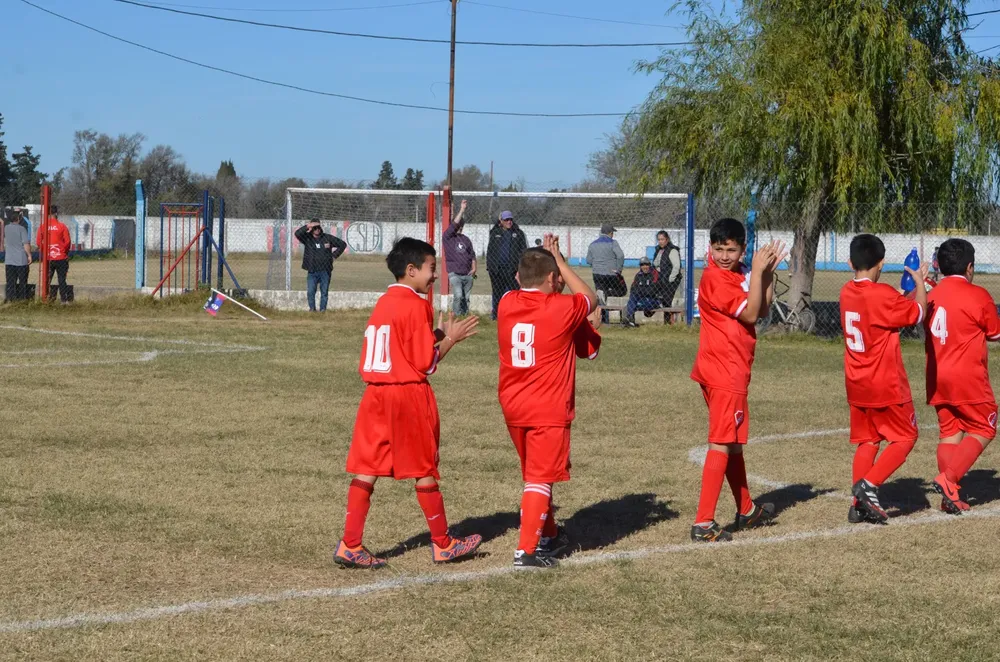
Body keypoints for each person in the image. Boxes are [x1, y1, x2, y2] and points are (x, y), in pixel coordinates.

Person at [334, 237, 483, 569]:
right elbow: (425, 364)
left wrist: (436, 336)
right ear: (411, 270)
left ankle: (350, 544)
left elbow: (401, 347)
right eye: (432, 268)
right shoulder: (417, 304)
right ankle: (443, 544)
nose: (434, 276)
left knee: (367, 468)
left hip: (375, 394)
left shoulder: (384, 302)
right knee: (424, 468)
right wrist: (450, 340)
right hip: (406, 395)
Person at [497, 234, 599, 568]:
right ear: (553, 279)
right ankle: (526, 552)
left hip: (513, 403)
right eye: (556, 277)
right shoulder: (560, 306)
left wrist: (549, 265)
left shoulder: (506, 303)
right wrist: (561, 261)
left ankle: (550, 535)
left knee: (534, 474)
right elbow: (589, 297)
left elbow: (585, 344)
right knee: (539, 478)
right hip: (547, 406)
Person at [690, 218, 785, 542]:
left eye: (731, 249)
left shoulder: (741, 272)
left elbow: (764, 305)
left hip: (728, 367)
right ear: (710, 249)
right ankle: (703, 523)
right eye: (718, 249)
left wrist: (767, 271)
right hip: (724, 370)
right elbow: (749, 313)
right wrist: (758, 273)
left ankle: (746, 509)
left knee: (732, 441)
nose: (724, 255)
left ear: (743, 249)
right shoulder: (717, 279)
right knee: (721, 441)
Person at [840, 234, 927, 525]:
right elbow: (916, 313)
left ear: (851, 262)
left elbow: (888, 308)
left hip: (856, 381)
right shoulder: (884, 294)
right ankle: (869, 486)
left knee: (868, 441)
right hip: (885, 382)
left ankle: (857, 505)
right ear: (881, 264)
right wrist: (921, 287)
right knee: (905, 437)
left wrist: (907, 294)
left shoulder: (845, 292)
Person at [923, 239, 1000, 514]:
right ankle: (949, 479)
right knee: (985, 426)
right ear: (970, 267)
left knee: (950, 432)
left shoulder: (930, 293)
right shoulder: (977, 294)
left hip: (937, 376)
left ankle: (949, 496)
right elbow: (995, 333)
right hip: (967, 377)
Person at [294, 219, 347, 312]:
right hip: (312, 270)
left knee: (324, 292)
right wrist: (307, 226)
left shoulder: (327, 238)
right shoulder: (307, 239)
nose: (317, 229)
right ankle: (312, 309)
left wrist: (334, 256)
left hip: (325, 270)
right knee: (311, 291)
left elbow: (342, 244)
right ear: (311, 229)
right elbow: (297, 233)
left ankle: (323, 310)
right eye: (315, 228)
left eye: (318, 227)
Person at [486, 210, 527, 320]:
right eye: (506, 220)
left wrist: (520, 268)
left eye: (510, 219)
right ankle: (496, 314)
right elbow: (490, 251)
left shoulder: (518, 233)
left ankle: (515, 314)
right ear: (501, 221)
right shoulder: (495, 233)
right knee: (497, 293)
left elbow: (523, 251)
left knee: (514, 292)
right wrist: (490, 267)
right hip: (497, 269)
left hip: (512, 269)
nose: (509, 222)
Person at [586, 223, 625, 323]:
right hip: (610, 274)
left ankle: (603, 318)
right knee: (622, 290)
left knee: (600, 295)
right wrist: (618, 269)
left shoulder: (592, 244)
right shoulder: (613, 243)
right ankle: (606, 294)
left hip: (597, 274)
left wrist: (597, 264)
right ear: (610, 233)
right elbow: (620, 256)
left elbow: (589, 260)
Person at [443, 199, 476, 316]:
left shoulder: (466, 239)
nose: (460, 228)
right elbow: (454, 223)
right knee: (458, 295)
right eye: (458, 226)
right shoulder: (448, 237)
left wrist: (474, 268)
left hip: (467, 274)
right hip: (454, 273)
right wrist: (462, 210)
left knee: (466, 297)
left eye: (462, 226)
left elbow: (472, 254)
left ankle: (464, 315)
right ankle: (456, 315)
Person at [37, 205, 72, 303]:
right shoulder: (62, 226)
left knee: (47, 279)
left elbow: (39, 242)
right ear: (56, 213)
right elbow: (68, 242)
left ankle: (45, 298)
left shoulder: (43, 226)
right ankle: (63, 300)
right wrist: (64, 251)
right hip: (60, 257)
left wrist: (46, 250)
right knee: (61, 279)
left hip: (48, 257)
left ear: (48, 214)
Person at [623, 257, 661, 327]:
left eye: (646, 265)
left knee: (631, 304)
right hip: (641, 298)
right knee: (633, 296)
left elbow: (652, 291)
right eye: (642, 265)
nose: (645, 267)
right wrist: (642, 291)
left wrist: (640, 290)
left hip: (653, 299)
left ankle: (629, 318)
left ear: (649, 265)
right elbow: (633, 289)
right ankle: (630, 319)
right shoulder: (638, 275)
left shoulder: (655, 273)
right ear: (640, 266)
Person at [4, 211, 32, 302]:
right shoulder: (22, 229)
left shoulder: (6, 228)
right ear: (18, 219)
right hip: (20, 260)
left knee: (11, 282)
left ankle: (10, 299)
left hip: (9, 259)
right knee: (22, 282)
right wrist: (29, 255)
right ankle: (22, 299)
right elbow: (25, 244)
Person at [653, 230, 683, 308]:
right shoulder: (659, 250)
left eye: (662, 239)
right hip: (661, 278)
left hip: (670, 279)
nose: (660, 241)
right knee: (659, 298)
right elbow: (655, 263)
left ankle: (668, 319)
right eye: (659, 239)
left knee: (666, 300)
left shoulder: (672, 250)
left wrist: (671, 279)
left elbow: (676, 266)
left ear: (667, 239)